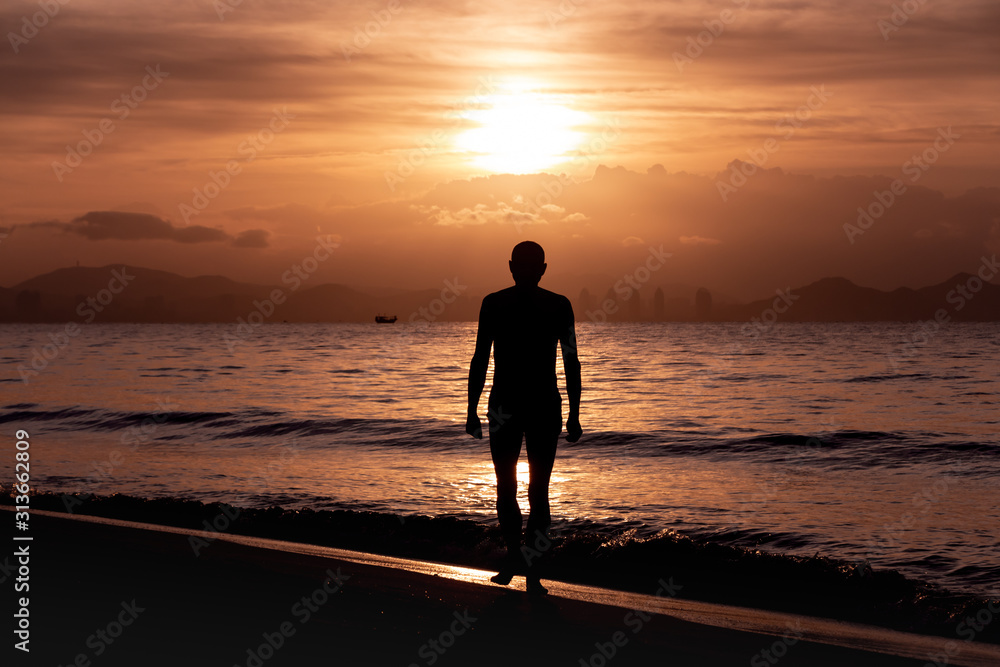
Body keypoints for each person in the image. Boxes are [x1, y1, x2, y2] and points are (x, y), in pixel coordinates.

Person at [466, 241, 582, 595]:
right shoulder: (549, 304)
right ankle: (523, 562)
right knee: (528, 489)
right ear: (517, 267)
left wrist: (471, 409)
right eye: (526, 265)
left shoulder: (504, 303)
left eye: (530, 266)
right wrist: (470, 409)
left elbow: (570, 360)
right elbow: (481, 358)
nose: (529, 271)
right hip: (530, 405)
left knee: (523, 488)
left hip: (523, 405)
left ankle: (524, 563)